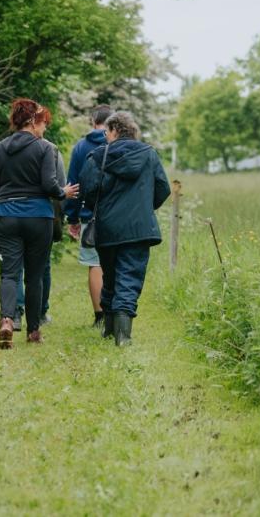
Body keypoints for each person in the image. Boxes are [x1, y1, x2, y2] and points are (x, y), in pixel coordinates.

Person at [0, 98, 78, 348]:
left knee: (9, 273)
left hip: (5, 213)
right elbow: (50, 185)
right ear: (31, 121)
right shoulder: (45, 148)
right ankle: (33, 331)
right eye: (42, 122)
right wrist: (64, 192)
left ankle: (7, 320)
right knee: (35, 276)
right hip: (38, 216)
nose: (44, 128)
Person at [79, 110, 169, 346]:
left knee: (110, 277)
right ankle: (122, 337)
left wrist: (97, 208)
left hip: (107, 229)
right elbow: (163, 188)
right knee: (130, 277)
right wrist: (143, 207)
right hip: (139, 228)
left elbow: (87, 190)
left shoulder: (98, 156)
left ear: (115, 130)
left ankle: (110, 329)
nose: (105, 136)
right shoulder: (149, 154)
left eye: (107, 132)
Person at [64, 105, 113, 326]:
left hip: (90, 215)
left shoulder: (81, 147)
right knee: (116, 262)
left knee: (95, 264)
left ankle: (99, 316)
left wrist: (72, 218)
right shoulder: (119, 143)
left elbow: (73, 185)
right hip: (116, 213)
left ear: (93, 122)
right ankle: (117, 312)